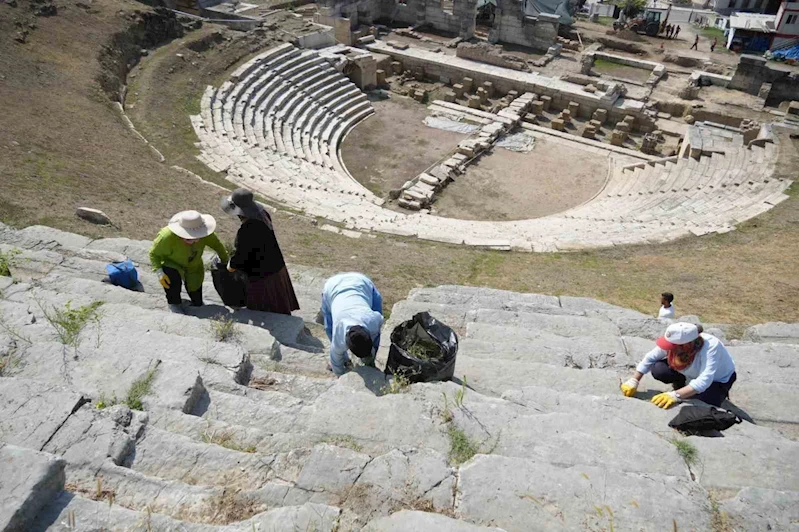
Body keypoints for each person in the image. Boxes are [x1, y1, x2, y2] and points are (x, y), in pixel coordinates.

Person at [620, 323, 737, 408]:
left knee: (704, 403)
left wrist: (675, 395)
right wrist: (634, 380)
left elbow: (704, 380)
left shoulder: (711, 347)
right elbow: (651, 357)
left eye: (672, 346)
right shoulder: (677, 343)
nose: (668, 348)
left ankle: (693, 391)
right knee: (659, 369)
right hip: (687, 373)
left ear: (686, 345)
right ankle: (683, 385)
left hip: (716, 381)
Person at [221, 188, 299, 315]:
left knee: (267, 309)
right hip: (276, 266)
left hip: (263, 275)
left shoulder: (247, 230)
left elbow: (242, 256)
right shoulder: (263, 215)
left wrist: (231, 265)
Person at [150, 210, 229, 312]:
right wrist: (159, 272)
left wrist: (225, 262)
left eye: (196, 238)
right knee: (172, 280)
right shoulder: (166, 237)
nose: (193, 241)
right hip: (173, 264)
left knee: (195, 291)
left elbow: (218, 246)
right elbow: (154, 254)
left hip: (194, 266)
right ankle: (174, 304)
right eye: (188, 238)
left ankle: (197, 305)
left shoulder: (206, 233)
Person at [320, 273, 384, 376]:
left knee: (377, 336)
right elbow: (336, 362)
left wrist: (374, 339)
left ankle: (370, 361)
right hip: (331, 288)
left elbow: (380, 319)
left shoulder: (373, 320)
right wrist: (341, 376)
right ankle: (346, 360)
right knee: (329, 329)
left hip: (362, 283)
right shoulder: (338, 340)